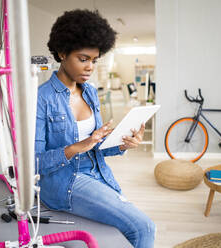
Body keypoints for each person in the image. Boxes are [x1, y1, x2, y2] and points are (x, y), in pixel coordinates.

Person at [35, 9, 155, 248]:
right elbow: (35, 163)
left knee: (129, 228)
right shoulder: (41, 98)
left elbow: (96, 146)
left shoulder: (89, 92)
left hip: (97, 173)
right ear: (61, 53)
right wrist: (76, 147)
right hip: (65, 182)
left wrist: (121, 144)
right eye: (83, 59)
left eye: (94, 60)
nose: (90, 67)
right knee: (144, 227)